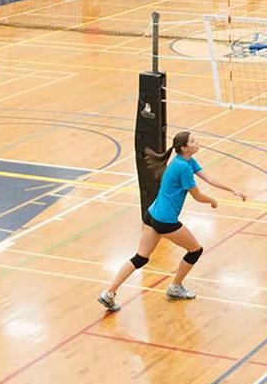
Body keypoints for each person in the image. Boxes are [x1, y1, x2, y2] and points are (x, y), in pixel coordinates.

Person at [97, 131, 245, 311]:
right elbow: (197, 196)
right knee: (195, 251)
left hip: (151, 214)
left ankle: (109, 293)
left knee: (140, 258)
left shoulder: (187, 161)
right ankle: (175, 287)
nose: (197, 142)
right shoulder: (182, 167)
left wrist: (232, 190)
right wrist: (213, 201)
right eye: (192, 141)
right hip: (165, 221)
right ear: (184, 148)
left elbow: (209, 177)